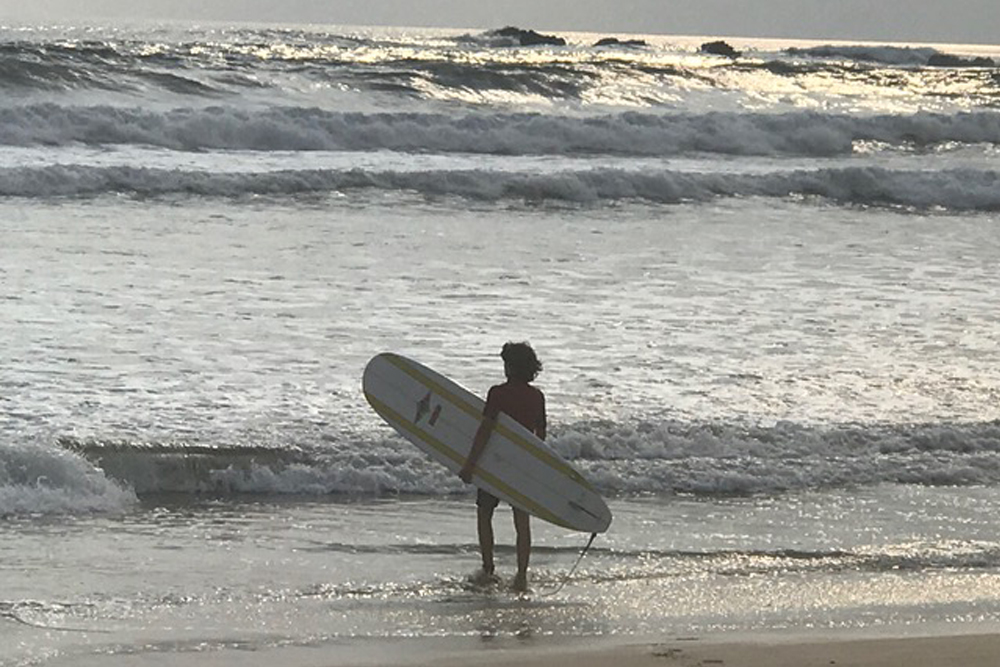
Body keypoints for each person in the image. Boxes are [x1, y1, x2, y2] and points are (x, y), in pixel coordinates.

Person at [459, 342, 546, 592]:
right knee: (522, 520)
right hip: (522, 465)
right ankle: (521, 576)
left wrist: (470, 464)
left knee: (485, 513)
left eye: (506, 363)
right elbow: (540, 434)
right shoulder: (537, 396)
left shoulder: (497, 393)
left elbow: (485, 430)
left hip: (493, 463)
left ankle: (488, 570)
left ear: (511, 366)